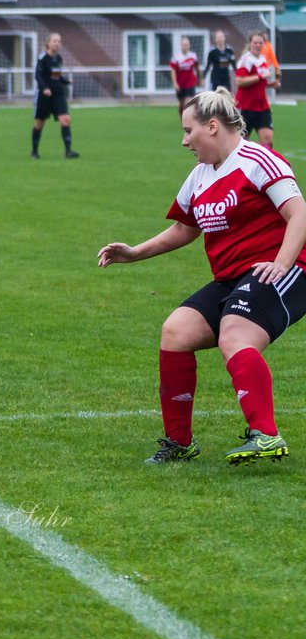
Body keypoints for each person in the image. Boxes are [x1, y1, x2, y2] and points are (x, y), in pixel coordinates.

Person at [97, 87, 303, 465]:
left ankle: (266, 434)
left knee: (235, 332)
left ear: (211, 126)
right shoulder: (200, 176)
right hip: (233, 278)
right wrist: (135, 253)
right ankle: (180, 443)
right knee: (176, 331)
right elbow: (185, 228)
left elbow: (299, 213)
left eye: (188, 130)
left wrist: (283, 262)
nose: (184, 140)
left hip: (282, 270)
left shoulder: (258, 159)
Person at [31, 33, 78, 160]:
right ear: (48, 43)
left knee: (65, 119)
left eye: (59, 41)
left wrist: (65, 81)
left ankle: (68, 151)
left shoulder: (58, 59)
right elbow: (38, 76)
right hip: (44, 96)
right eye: (54, 41)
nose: (57, 43)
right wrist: (45, 88)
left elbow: (56, 76)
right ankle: (34, 152)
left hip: (57, 94)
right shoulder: (42, 58)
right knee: (39, 124)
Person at [235, 31, 280, 150]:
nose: (258, 45)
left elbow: (259, 84)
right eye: (255, 42)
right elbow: (240, 81)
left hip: (262, 107)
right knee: (241, 144)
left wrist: (270, 84)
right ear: (250, 43)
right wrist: (260, 77)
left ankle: (262, 167)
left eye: (261, 43)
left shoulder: (263, 59)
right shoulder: (245, 60)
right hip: (246, 107)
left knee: (268, 139)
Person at [169, 37, 200, 118]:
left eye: (187, 44)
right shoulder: (176, 57)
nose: (185, 46)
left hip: (190, 83)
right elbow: (173, 71)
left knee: (188, 102)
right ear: (181, 46)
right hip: (180, 83)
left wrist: (201, 78)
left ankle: (189, 120)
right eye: (184, 44)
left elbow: (197, 68)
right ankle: (182, 117)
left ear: (189, 45)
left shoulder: (193, 56)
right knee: (182, 104)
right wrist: (175, 83)